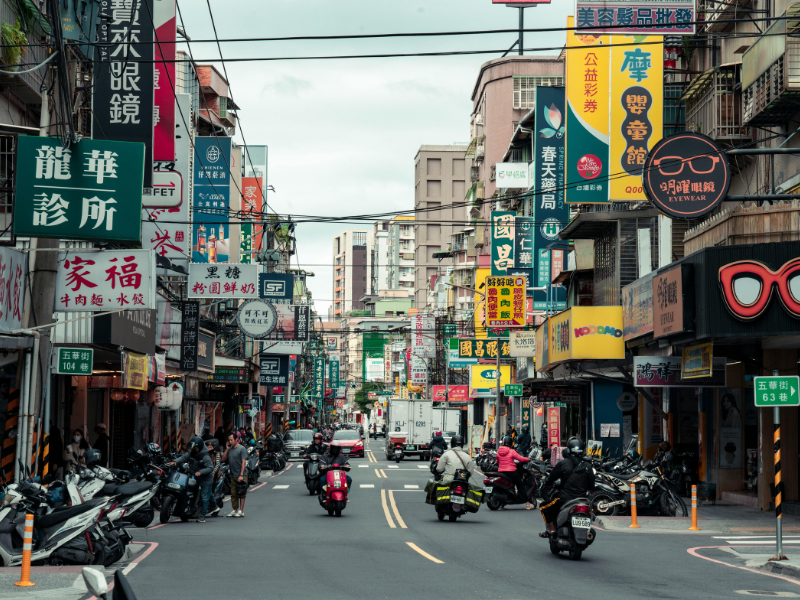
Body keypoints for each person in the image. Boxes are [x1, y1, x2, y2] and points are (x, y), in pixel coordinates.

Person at [539, 437, 595, 537]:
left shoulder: (563, 464)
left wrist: (547, 483)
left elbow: (551, 478)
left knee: (543, 506)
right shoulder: (588, 466)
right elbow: (591, 486)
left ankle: (551, 530)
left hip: (565, 499)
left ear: (568, 451)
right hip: (582, 500)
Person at [172, 436, 213, 522]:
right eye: (193, 447)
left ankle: (202, 516)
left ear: (200, 447)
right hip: (196, 478)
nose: (194, 449)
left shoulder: (205, 456)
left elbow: (210, 468)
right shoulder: (193, 452)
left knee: (204, 497)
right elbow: (184, 457)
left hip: (206, 480)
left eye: (196, 448)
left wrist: (201, 472)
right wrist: (175, 462)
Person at [497, 435, 532, 509]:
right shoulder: (511, 451)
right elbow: (521, 459)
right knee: (520, 485)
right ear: (510, 443)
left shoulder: (499, 451)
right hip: (511, 472)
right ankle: (528, 504)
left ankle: (503, 503)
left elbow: (498, 462)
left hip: (501, 471)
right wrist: (528, 459)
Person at [222, 432, 248, 517]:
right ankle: (235, 510)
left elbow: (243, 462)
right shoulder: (230, 450)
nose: (230, 442)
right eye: (228, 440)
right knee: (233, 494)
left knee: (242, 493)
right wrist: (226, 449)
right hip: (232, 475)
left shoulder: (241, 449)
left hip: (241, 475)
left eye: (231, 440)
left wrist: (241, 475)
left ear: (236, 439)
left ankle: (241, 510)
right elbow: (223, 459)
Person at [205, 438, 222, 517]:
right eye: (208, 447)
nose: (210, 449)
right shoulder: (205, 454)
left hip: (214, 475)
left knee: (210, 491)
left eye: (211, 447)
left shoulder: (216, 454)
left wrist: (213, 472)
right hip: (206, 475)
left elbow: (217, 464)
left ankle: (213, 506)